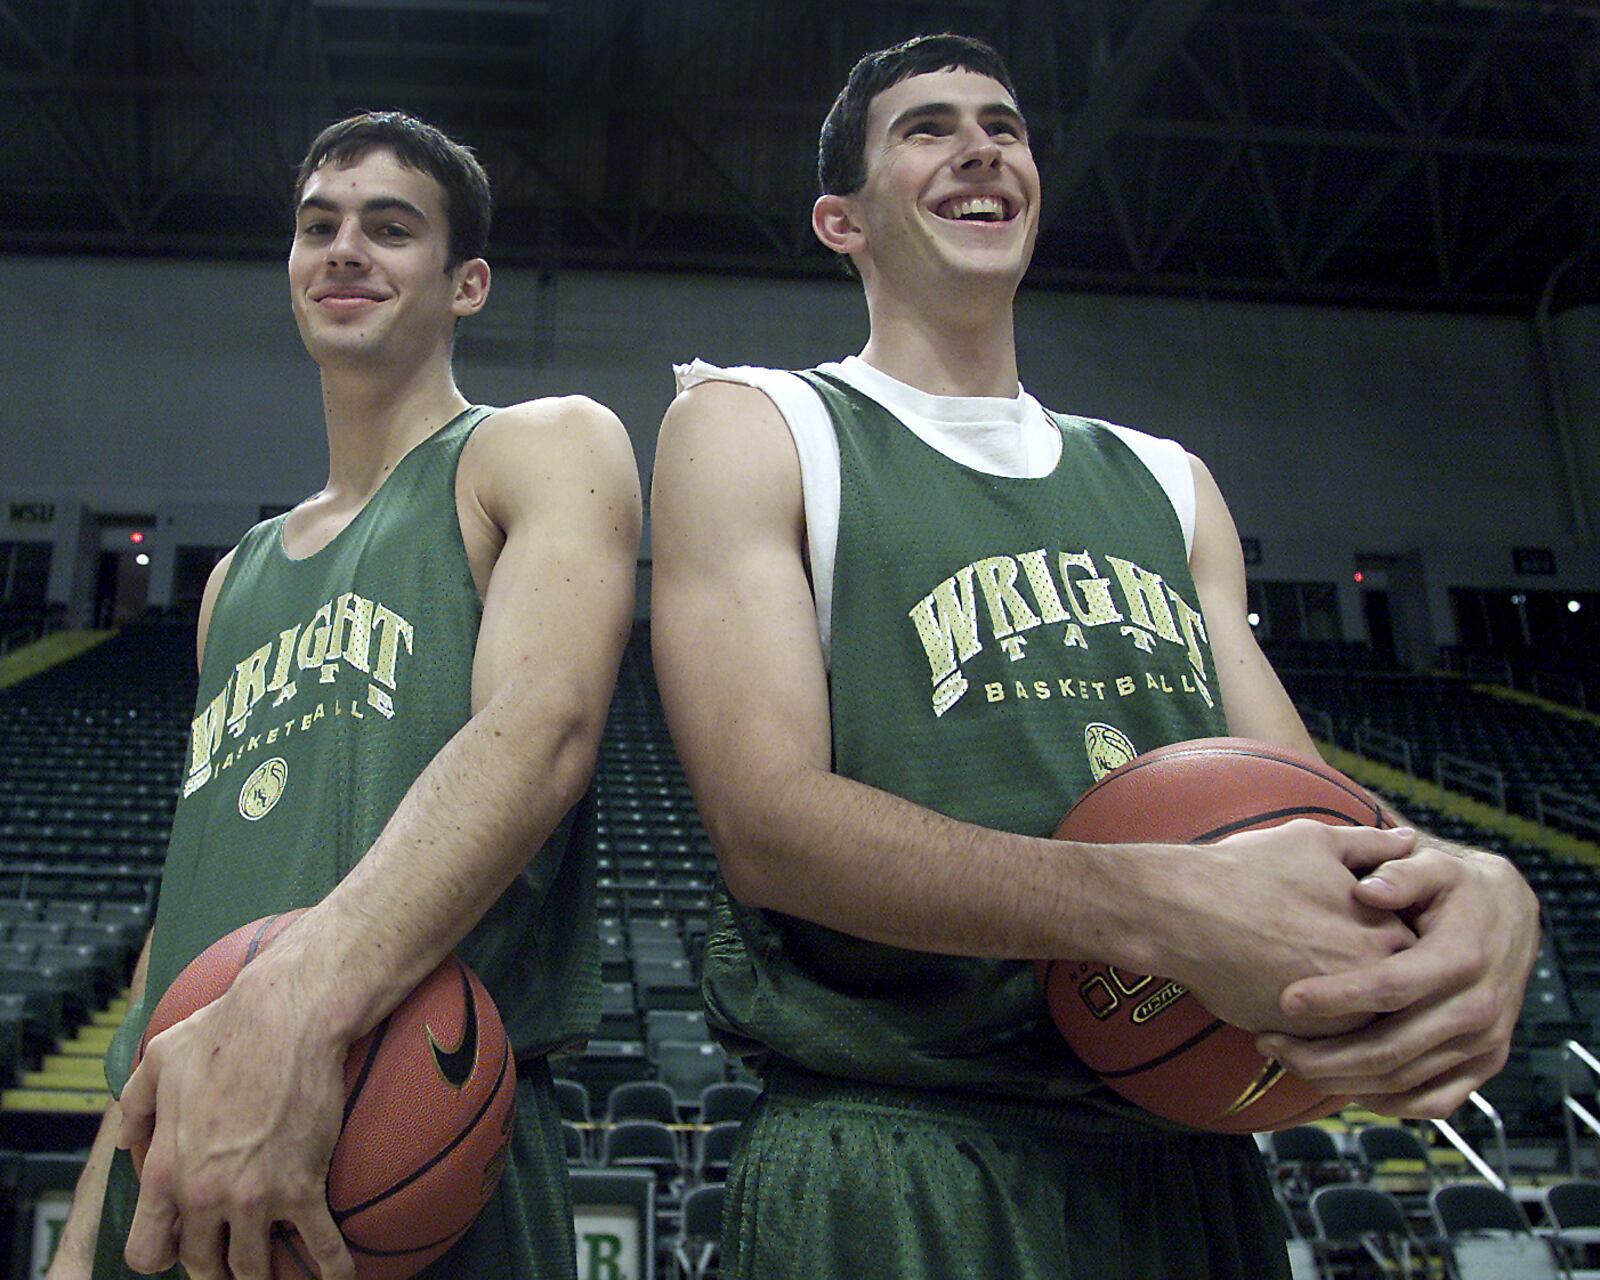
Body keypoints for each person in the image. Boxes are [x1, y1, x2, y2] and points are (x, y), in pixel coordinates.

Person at [648, 34, 1539, 1280]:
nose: (981, 146)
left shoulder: (1170, 480)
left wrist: (1463, 882)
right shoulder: (755, 424)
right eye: (927, 128)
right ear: (839, 221)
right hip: (903, 1144)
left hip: (1186, 1160)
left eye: (1004, 127)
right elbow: (768, 824)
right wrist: (1159, 909)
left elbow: (1309, 808)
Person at [46, 111, 642, 1280]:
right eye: (317, 226)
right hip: (175, 1171)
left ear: (466, 282)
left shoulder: (535, 449)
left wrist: (291, 1015)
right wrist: (85, 1227)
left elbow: (542, 729)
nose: (344, 249)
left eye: (390, 227)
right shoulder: (234, 583)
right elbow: (182, 929)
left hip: (408, 1144)